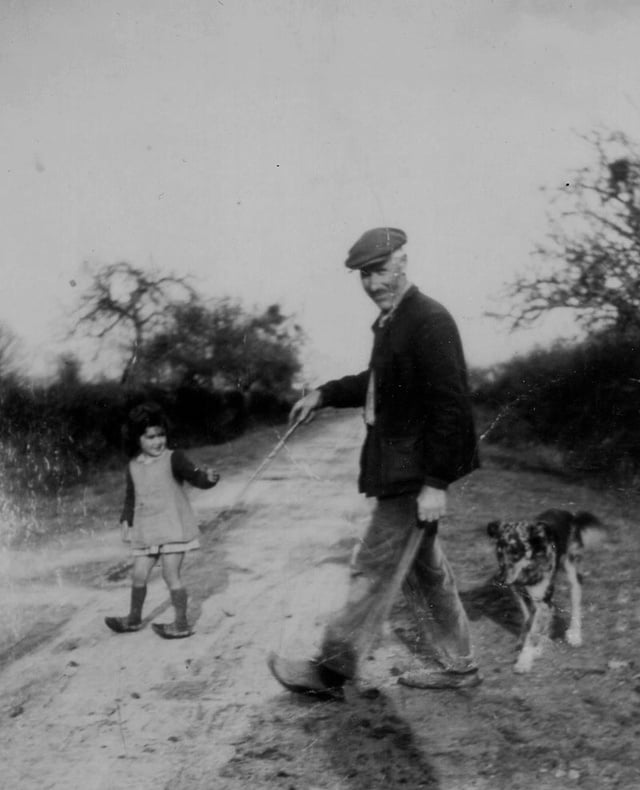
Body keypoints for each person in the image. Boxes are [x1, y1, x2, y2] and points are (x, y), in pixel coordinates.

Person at [268, 227, 480, 696]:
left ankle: (329, 671)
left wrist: (436, 482)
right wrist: (323, 394)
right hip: (400, 469)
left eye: (380, 271)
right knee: (425, 568)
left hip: (413, 474)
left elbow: (451, 405)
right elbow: (377, 381)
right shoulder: (394, 321)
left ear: (403, 262)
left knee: (373, 569)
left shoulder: (429, 320)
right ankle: (461, 664)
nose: (372, 283)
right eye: (364, 275)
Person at [105, 402, 220, 639]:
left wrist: (208, 479)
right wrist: (126, 519)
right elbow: (131, 496)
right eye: (150, 437)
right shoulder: (133, 466)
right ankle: (134, 619)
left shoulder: (174, 458)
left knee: (170, 574)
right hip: (147, 529)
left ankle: (181, 623)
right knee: (138, 574)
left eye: (161, 435)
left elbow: (196, 477)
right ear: (137, 439)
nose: (158, 441)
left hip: (173, 527)